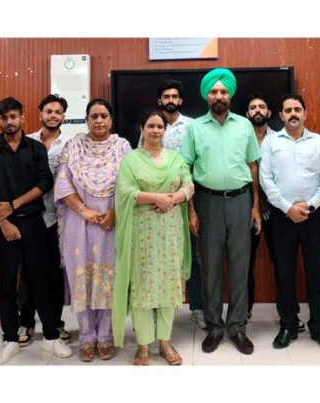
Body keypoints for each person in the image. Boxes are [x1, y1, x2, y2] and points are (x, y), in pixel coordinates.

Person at [0, 97, 72, 363]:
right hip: (1, 226)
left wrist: (13, 205)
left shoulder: (35, 148)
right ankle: (10, 339)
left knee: (40, 279)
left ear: (22, 118)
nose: (10, 121)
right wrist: (3, 219)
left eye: (14, 116)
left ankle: (51, 338)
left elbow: (45, 182)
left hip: (33, 221)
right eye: (4, 117)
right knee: (7, 283)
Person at [180, 68, 261, 355]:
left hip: (240, 202)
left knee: (240, 267)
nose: (219, 95)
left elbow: (253, 166)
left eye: (223, 91)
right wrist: (191, 210)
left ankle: (237, 326)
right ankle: (215, 327)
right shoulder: (194, 128)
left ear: (230, 95)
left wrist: (254, 206)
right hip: (207, 203)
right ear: (206, 96)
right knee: (211, 268)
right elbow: (186, 169)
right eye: (213, 91)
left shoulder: (244, 126)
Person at [113, 110, 194, 365]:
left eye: (160, 126)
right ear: (142, 129)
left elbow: (189, 185)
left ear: (164, 131)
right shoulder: (131, 160)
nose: (156, 130)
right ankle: (143, 345)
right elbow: (125, 191)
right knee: (142, 287)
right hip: (142, 232)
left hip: (170, 232)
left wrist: (172, 199)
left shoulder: (176, 158)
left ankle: (165, 343)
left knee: (168, 287)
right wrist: (155, 198)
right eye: (151, 126)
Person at [54, 98, 131, 362]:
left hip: (112, 222)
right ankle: (86, 335)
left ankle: (105, 335)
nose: (99, 120)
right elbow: (63, 184)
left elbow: (130, 184)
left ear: (111, 120)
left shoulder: (122, 147)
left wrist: (116, 213)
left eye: (104, 116)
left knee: (109, 277)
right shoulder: (73, 146)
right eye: (94, 116)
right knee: (82, 276)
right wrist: (84, 211)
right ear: (87, 120)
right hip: (79, 223)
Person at [259, 93, 320, 352]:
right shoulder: (270, 143)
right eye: (288, 110)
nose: (293, 113)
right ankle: (288, 325)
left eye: (297, 109)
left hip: (314, 216)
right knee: (285, 273)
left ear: (305, 113)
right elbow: (265, 179)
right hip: (282, 217)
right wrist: (287, 207)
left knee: (316, 273)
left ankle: (319, 327)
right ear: (280, 115)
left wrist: (310, 204)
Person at [143, 79, 206, 330]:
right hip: (154, 204)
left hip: (187, 197)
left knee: (191, 255)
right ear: (160, 101)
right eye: (166, 96)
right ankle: (157, 308)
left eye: (174, 96)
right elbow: (141, 161)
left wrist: (189, 206)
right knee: (157, 256)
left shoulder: (192, 126)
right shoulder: (151, 125)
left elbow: (195, 163)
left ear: (180, 100)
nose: (170, 100)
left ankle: (197, 307)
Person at [16, 94, 75, 346]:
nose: (53, 115)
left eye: (58, 112)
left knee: (53, 273)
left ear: (64, 116)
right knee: (27, 272)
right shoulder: (25, 141)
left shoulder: (71, 144)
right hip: (28, 215)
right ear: (40, 114)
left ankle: (55, 322)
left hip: (59, 217)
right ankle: (25, 323)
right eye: (49, 111)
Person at [245, 92, 305, 331]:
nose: (257, 110)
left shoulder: (280, 138)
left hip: (278, 210)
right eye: (253, 107)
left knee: (282, 263)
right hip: (247, 209)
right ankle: (244, 311)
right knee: (245, 263)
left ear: (270, 113)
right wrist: (254, 205)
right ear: (247, 114)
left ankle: (290, 315)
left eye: (262, 106)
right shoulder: (240, 137)